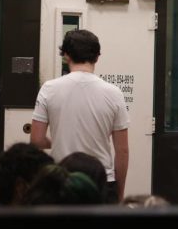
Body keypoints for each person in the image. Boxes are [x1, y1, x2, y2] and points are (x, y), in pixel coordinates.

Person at [30, 29, 129, 202]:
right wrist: (119, 193)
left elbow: (36, 140)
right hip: (102, 180)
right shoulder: (114, 93)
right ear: (97, 56)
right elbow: (122, 150)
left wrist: (60, 139)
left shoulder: (49, 89)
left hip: (62, 180)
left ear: (66, 55)